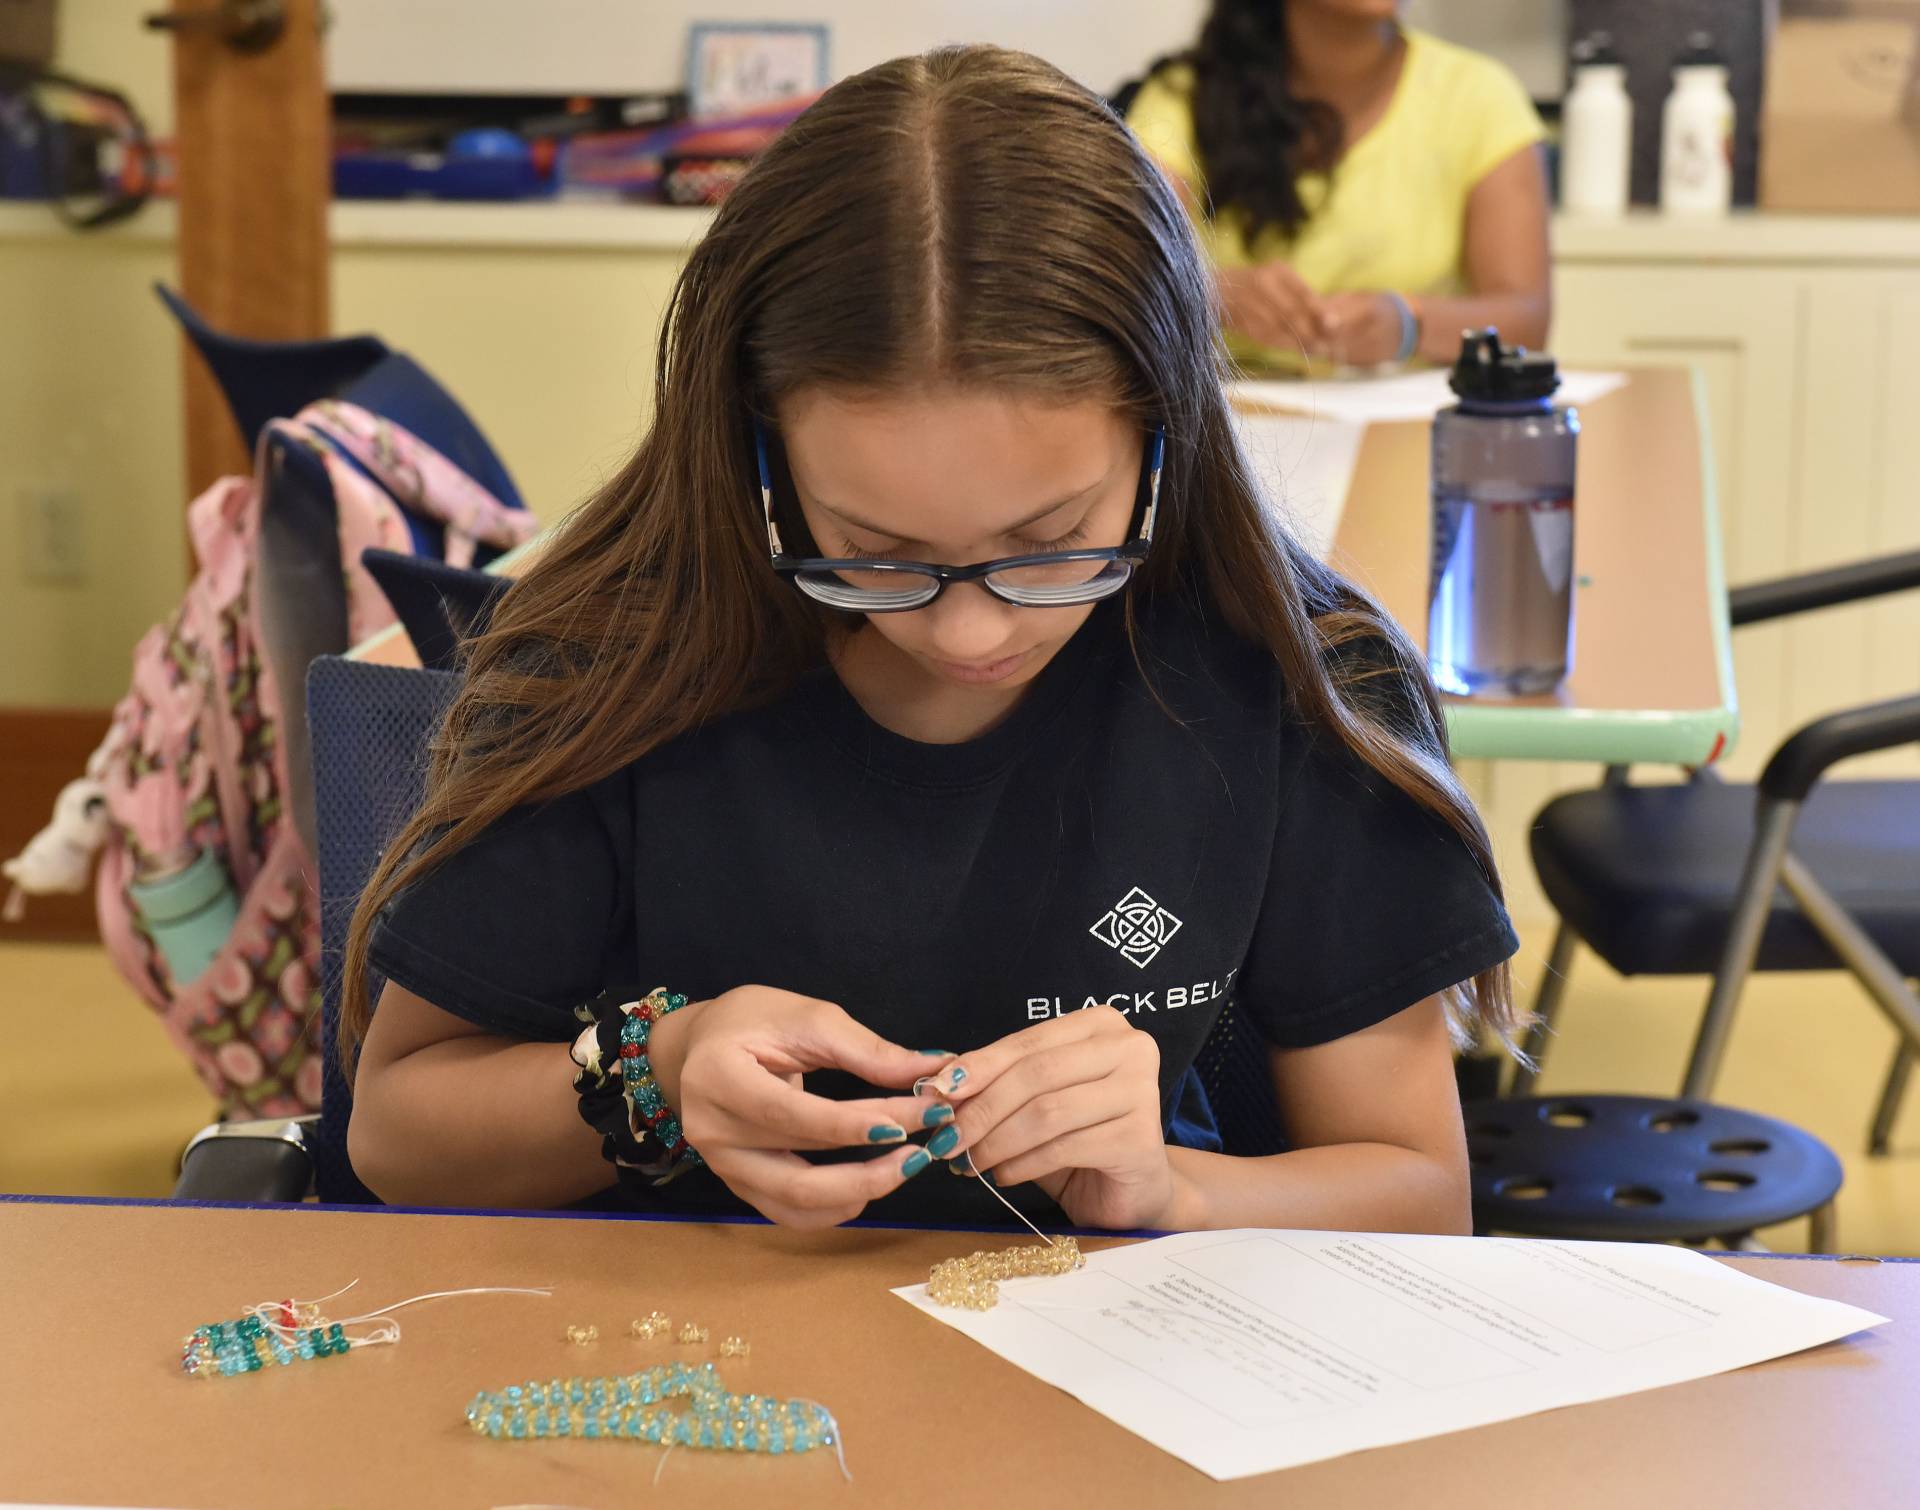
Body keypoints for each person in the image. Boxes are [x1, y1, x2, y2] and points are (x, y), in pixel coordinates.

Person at [341, 45, 1520, 1235]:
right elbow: (396, 1135)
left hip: (1114, 1336)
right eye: (872, 548)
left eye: (1051, 540)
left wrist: (1175, 1187)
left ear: (1167, 440)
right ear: (759, 455)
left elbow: (1420, 1197)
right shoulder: (619, 662)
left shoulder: (1292, 677)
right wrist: (665, 1070)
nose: (969, 628)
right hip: (685, 1331)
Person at [1125, 0, 1550, 371]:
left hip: (1411, 419)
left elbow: (1526, 320)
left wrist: (1410, 324)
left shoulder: (1479, 96)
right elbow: (1123, 270)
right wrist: (1212, 294)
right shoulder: (1184, 97)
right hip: (1235, 418)